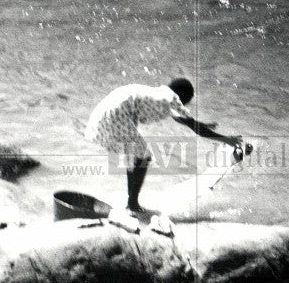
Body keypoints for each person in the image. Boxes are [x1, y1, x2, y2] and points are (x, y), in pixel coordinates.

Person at [84, 78, 242, 213]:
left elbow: (180, 118)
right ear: (181, 95)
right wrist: (228, 140)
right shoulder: (171, 98)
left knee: (136, 157)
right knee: (143, 157)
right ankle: (132, 204)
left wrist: (200, 123)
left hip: (106, 112)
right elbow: (195, 128)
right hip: (118, 115)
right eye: (185, 101)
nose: (183, 104)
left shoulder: (161, 94)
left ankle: (131, 202)